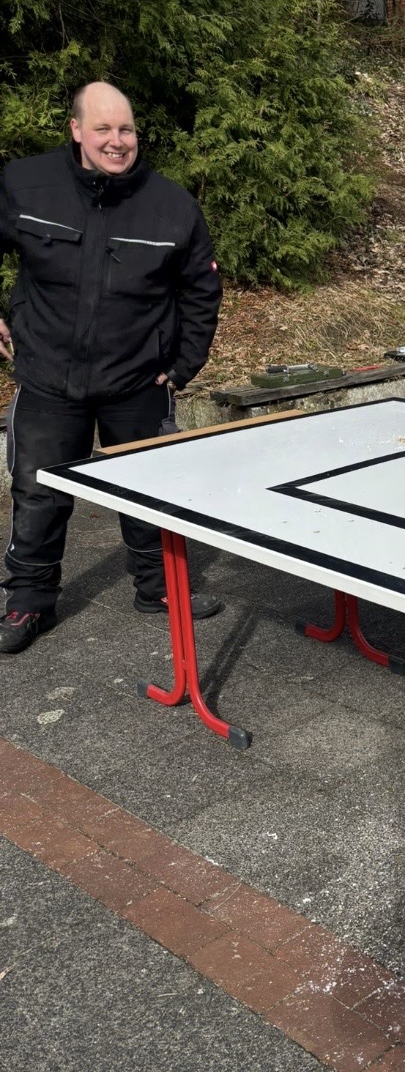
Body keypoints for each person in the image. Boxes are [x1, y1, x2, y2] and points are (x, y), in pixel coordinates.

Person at [0, 82, 224, 655]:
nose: (116, 141)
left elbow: (202, 289)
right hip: (48, 375)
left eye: (125, 129)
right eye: (102, 129)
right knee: (38, 493)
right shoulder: (25, 183)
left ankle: (159, 588)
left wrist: (183, 365)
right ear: (76, 130)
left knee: (148, 489)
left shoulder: (172, 204)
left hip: (139, 378)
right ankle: (29, 601)